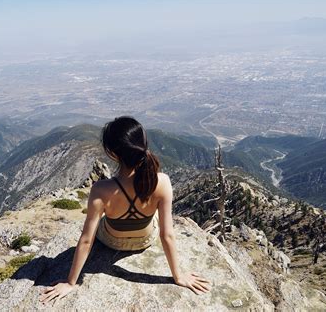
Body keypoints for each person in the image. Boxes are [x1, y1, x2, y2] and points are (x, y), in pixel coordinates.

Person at [39, 116, 210, 305]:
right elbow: (167, 235)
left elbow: (87, 240)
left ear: (113, 153)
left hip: (111, 241)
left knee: (102, 222)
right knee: (151, 219)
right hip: (145, 240)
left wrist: (71, 282)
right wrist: (178, 276)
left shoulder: (101, 189)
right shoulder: (162, 182)